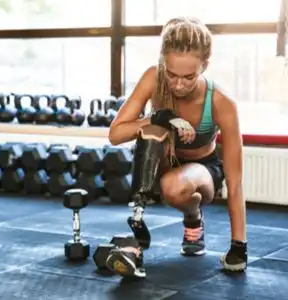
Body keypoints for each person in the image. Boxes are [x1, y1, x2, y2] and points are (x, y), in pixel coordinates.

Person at [105, 16, 247, 278]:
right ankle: (137, 225)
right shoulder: (153, 78)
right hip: (162, 163)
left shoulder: (221, 102)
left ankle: (193, 217)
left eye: (188, 76)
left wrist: (239, 245)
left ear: (205, 65)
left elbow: (235, 181)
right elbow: (116, 134)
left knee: (174, 187)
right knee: (151, 130)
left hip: (203, 171)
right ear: (162, 62)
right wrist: (158, 118)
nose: (179, 84)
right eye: (171, 74)